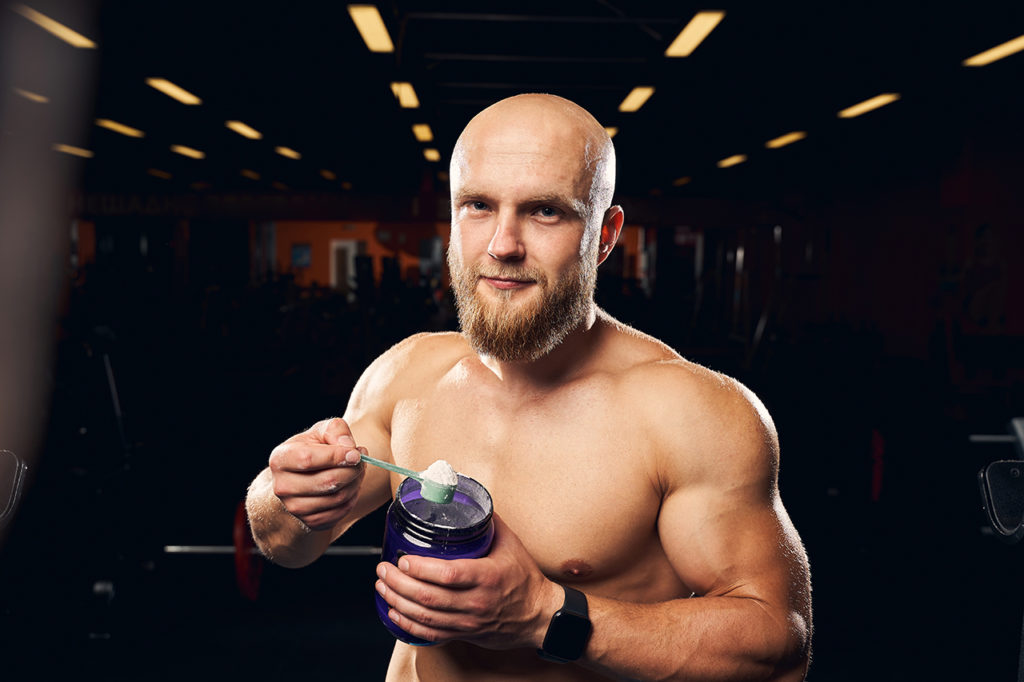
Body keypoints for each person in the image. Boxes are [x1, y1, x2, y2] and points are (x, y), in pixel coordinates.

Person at [245, 93, 812, 681]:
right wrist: (288, 494)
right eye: (478, 206)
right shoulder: (408, 373)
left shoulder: (688, 413)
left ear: (605, 234)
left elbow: (776, 646)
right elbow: (287, 543)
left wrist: (545, 616)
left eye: (545, 211)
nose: (502, 244)